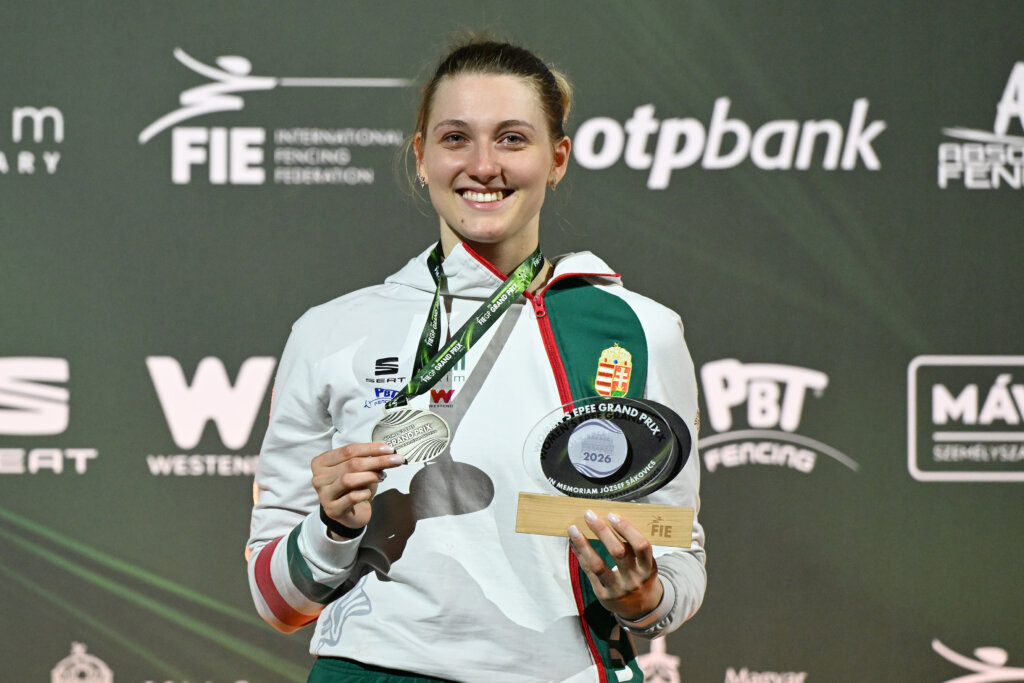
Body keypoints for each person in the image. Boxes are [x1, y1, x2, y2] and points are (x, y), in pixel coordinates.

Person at [246, 37, 706, 683]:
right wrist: (331, 527)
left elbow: (677, 550)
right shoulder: (330, 331)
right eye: (456, 138)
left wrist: (641, 597)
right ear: (421, 156)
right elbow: (276, 603)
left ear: (557, 159)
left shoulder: (640, 330)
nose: (483, 165)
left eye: (513, 139)